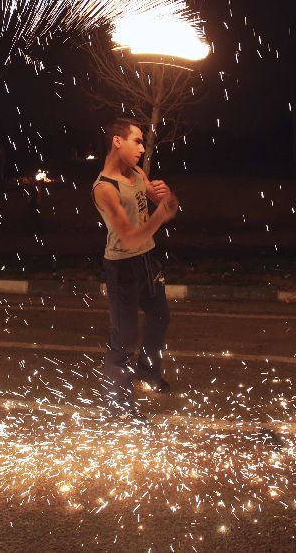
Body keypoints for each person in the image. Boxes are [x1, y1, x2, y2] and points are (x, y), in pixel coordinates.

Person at [92, 117, 180, 416]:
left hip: (148, 260)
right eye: (137, 140)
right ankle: (119, 408)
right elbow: (129, 238)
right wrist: (160, 218)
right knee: (124, 338)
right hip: (122, 267)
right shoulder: (104, 188)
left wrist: (168, 196)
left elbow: (171, 206)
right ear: (118, 141)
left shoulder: (138, 173)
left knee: (159, 316)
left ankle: (148, 371)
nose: (142, 148)